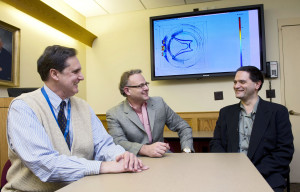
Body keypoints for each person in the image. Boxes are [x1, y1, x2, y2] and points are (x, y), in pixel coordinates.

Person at [2, 45, 148, 192]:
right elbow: (45, 164)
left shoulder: (83, 106)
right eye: (75, 71)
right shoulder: (23, 107)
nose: (82, 77)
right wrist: (102, 166)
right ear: (55, 74)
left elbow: (103, 145)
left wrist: (121, 157)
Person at [209, 66, 294, 192]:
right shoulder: (226, 112)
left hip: (266, 174)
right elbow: (216, 143)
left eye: (242, 82)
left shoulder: (278, 112)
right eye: (235, 82)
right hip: (231, 173)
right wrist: (229, 167)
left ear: (257, 85)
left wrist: (251, 172)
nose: (236, 86)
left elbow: (284, 151)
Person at [106, 69, 194, 158]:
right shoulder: (114, 114)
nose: (146, 88)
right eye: (140, 86)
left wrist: (186, 150)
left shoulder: (159, 103)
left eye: (146, 84)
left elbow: (183, 126)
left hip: (163, 158)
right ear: (127, 90)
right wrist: (145, 149)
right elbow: (118, 142)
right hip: (135, 161)